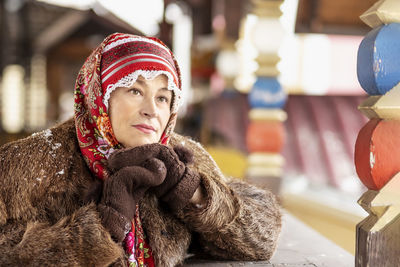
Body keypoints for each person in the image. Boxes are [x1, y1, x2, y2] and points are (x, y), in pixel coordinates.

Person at [0, 33, 281, 266]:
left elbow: (262, 239)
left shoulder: (183, 156)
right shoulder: (25, 164)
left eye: (162, 97)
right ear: (100, 95)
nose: (151, 111)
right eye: (135, 91)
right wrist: (104, 225)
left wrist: (190, 191)